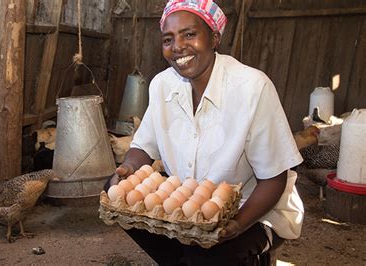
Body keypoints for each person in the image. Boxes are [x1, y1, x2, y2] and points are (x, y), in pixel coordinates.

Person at [105, 0, 304, 265]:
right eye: (168, 39)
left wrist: (236, 225)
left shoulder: (252, 88)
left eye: (189, 34)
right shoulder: (162, 85)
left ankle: (253, 259)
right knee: (115, 192)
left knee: (208, 254)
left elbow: (274, 180)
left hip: (253, 210)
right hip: (190, 211)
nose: (177, 46)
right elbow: (143, 148)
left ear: (214, 37)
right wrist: (128, 168)